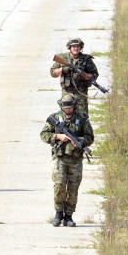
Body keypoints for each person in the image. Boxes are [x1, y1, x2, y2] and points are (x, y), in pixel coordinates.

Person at [40, 94, 94, 227]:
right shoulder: (55, 118)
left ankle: (69, 216)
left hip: (75, 159)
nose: (68, 110)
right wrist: (58, 136)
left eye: (70, 107)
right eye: (66, 108)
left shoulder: (82, 118)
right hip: (60, 158)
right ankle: (58, 213)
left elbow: (90, 137)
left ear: (74, 106)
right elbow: (44, 135)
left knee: (73, 188)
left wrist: (81, 141)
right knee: (59, 186)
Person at [50, 38, 99, 113]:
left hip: (81, 93)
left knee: (83, 117)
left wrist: (87, 76)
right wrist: (62, 69)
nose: (75, 48)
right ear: (69, 48)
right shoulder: (63, 58)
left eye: (78, 46)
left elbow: (95, 74)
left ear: (81, 48)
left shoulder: (86, 59)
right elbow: (53, 72)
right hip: (67, 92)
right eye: (73, 46)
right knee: (66, 116)